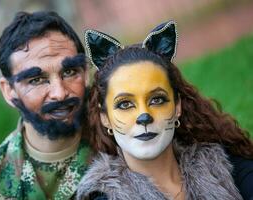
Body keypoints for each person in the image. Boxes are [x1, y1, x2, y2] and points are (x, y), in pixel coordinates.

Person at [76, 21, 253, 199]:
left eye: (157, 100)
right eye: (125, 104)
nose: (144, 116)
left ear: (177, 107)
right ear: (105, 117)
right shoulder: (102, 196)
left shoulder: (226, 167)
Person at [0, 11, 91, 199]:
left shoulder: (123, 147)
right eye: (37, 80)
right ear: (9, 91)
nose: (59, 93)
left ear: (86, 74)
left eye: (70, 72)